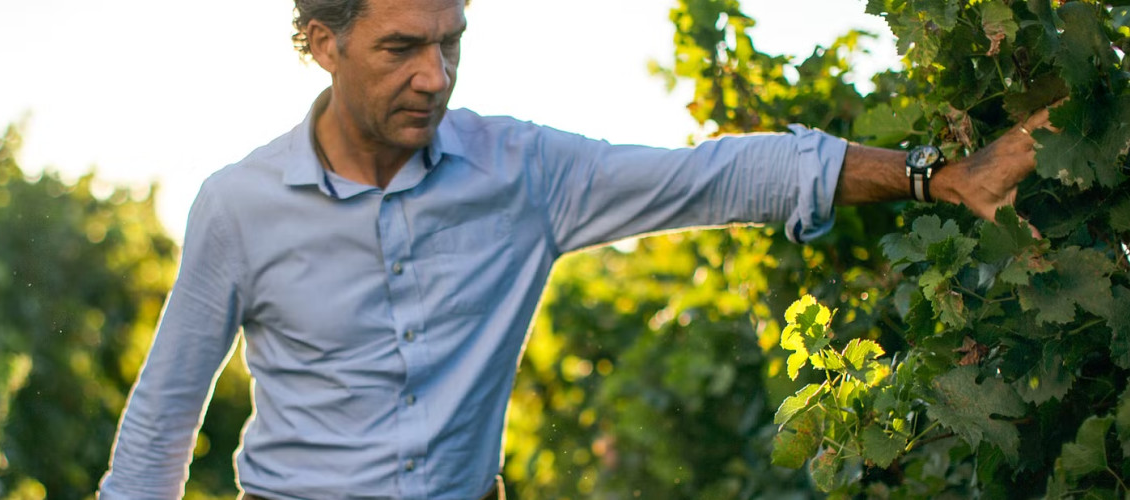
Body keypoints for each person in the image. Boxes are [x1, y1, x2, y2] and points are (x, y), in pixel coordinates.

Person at [97, 0, 1053, 498]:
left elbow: (718, 176)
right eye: (401, 48)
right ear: (321, 42)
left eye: (450, 42)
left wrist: (937, 175)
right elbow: (160, 425)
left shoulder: (522, 172)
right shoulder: (240, 205)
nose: (435, 76)